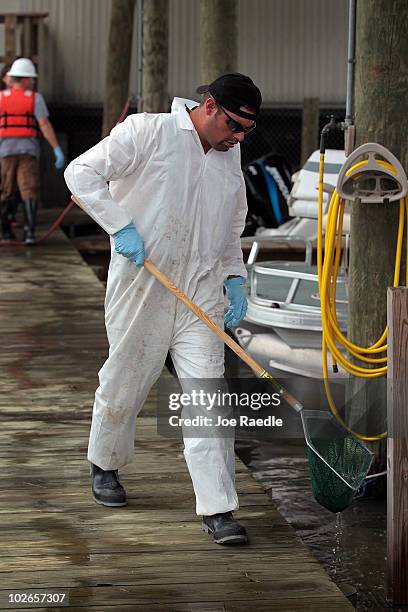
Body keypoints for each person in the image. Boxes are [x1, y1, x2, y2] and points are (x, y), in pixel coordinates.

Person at [64, 73, 262, 545]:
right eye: (235, 125)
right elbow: (80, 174)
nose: (239, 138)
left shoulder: (229, 156)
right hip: (143, 281)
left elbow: (232, 223)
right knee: (125, 380)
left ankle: (218, 510)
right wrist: (119, 226)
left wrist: (235, 275)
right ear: (209, 106)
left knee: (208, 400)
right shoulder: (147, 132)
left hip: (201, 291)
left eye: (247, 132)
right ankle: (106, 464)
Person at [0, 58, 65, 243]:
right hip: (28, 152)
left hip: (5, 152)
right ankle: (29, 233)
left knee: (6, 190)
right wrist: (56, 149)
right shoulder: (35, 98)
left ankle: (6, 232)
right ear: (26, 79)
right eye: (32, 79)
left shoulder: (1, 98)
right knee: (29, 189)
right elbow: (44, 125)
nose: (33, 82)